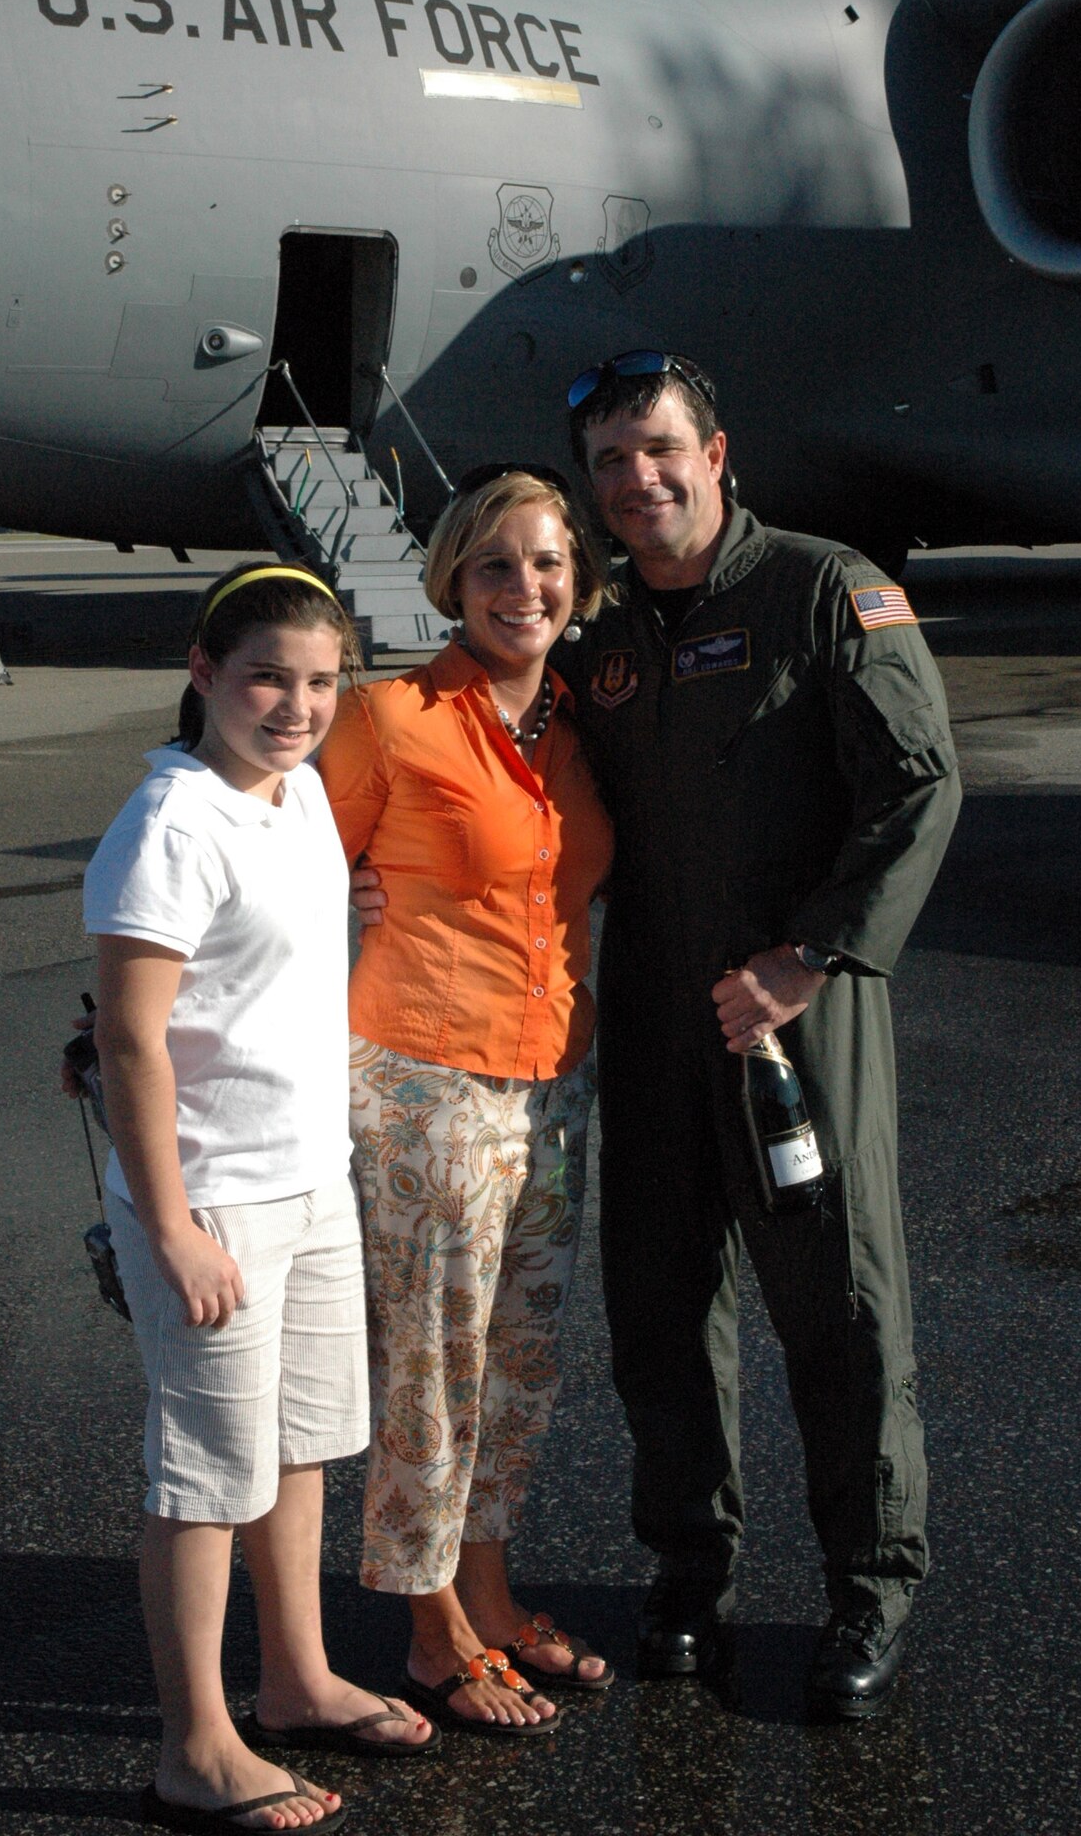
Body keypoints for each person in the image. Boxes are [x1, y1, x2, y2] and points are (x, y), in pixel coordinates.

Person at [555, 351, 962, 1720]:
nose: (637, 480)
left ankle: (870, 1587)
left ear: (715, 455)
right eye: (611, 460)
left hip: (800, 1019)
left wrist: (806, 957)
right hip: (659, 1021)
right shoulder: (600, 641)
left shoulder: (822, 591)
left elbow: (916, 786)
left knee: (838, 1309)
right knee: (660, 1315)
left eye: (659, 450)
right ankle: (689, 1572)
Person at [82, 562, 431, 1836]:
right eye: (268, 677)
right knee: (203, 1471)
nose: (296, 703)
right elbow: (130, 1040)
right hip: (214, 1195)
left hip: (309, 1175)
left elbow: (278, 933)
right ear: (204, 674)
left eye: (323, 680)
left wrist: (356, 899)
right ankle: (197, 1744)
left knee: (297, 1448)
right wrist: (169, 1225)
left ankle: (293, 1678)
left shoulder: (296, 798)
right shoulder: (170, 821)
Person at [316, 469, 616, 1738]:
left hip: (551, 1077)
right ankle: (430, 1617)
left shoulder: (574, 724)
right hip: (425, 1082)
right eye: (496, 564)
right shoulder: (390, 717)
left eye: (547, 564)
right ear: (452, 577)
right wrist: (341, 903)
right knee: (432, 1363)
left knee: (521, 1360)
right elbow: (274, 855)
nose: (524, 588)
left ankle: (488, 1581)